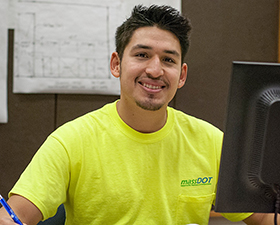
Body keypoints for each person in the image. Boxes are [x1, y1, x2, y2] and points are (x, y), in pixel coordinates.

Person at [0, 4, 277, 225]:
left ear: (181, 75)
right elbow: (15, 217)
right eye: (142, 55)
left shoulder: (211, 142)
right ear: (116, 64)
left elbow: (265, 217)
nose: (155, 70)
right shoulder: (71, 141)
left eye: (168, 59)